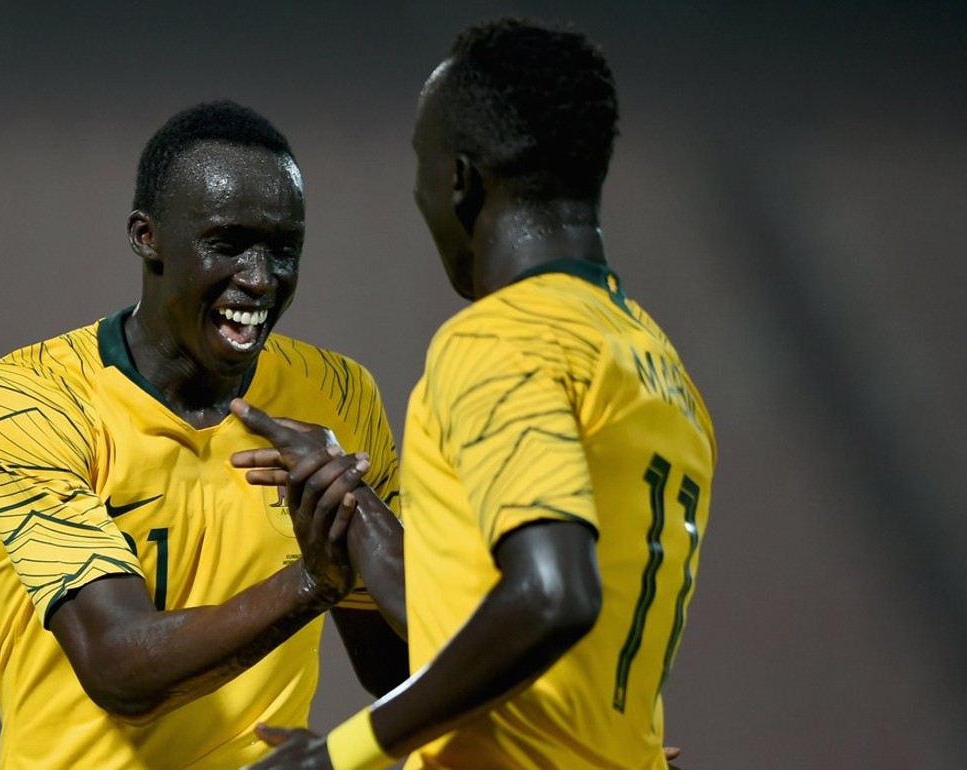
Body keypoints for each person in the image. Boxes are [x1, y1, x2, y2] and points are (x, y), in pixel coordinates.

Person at [232, 16, 715, 770]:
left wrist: (340, 752)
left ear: (459, 180)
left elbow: (553, 596)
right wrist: (351, 503)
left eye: (420, 165)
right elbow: (484, 624)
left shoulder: (498, 342)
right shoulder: (652, 363)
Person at [0, 100, 407, 770]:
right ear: (147, 236)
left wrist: (363, 517)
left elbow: (396, 666)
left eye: (284, 250)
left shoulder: (339, 395)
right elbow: (119, 669)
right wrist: (312, 582)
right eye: (227, 245)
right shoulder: (28, 399)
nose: (259, 280)